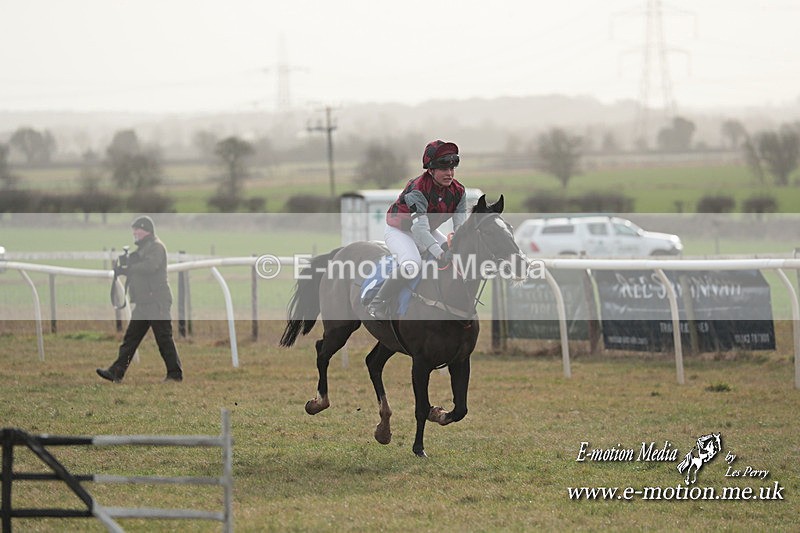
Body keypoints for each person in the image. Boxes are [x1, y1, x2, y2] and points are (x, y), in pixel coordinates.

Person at [367, 140, 467, 320]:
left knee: (456, 261)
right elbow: (419, 231)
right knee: (412, 266)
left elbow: (460, 226)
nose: (450, 173)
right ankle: (377, 302)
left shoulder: (459, 191)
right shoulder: (418, 189)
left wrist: (457, 246)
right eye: (444, 169)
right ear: (431, 170)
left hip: (427, 229)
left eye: (452, 169)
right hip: (400, 231)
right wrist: (439, 253)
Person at [96, 216, 183, 383]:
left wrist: (129, 268)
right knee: (131, 339)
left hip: (157, 301)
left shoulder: (157, 247)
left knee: (163, 339)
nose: (134, 233)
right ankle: (116, 372)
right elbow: (137, 266)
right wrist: (123, 267)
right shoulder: (144, 248)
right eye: (133, 230)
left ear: (147, 230)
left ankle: (175, 374)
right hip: (144, 302)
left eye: (137, 229)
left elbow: (150, 266)